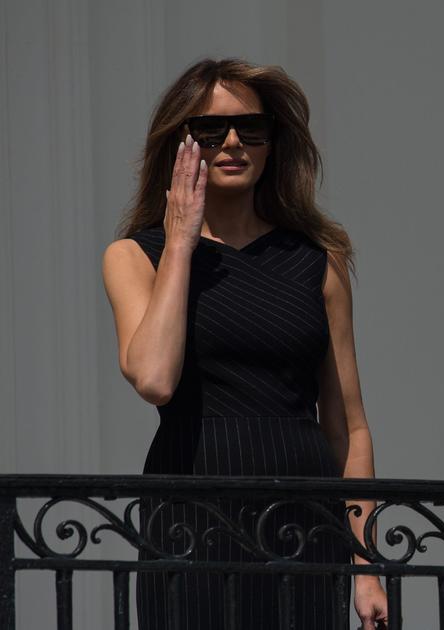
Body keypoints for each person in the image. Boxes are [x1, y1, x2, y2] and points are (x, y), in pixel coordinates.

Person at [102, 59, 387, 629]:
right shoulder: (135, 257)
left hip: (300, 520)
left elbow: (347, 424)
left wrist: (365, 564)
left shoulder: (318, 261)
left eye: (251, 129)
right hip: (190, 514)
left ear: (272, 143)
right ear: (181, 143)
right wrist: (181, 241)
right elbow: (155, 379)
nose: (233, 142)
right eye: (211, 130)